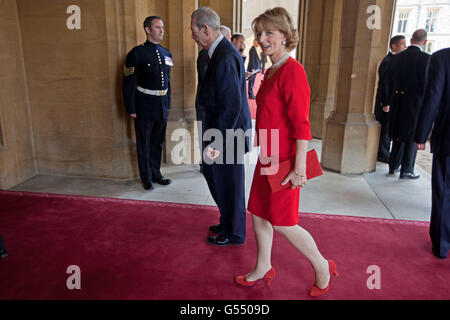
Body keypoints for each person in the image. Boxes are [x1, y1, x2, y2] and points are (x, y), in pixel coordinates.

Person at [236, 7, 338, 297]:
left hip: (284, 160)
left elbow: (301, 124)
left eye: (269, 32)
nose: (263, 39)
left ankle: (322, 265)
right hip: (267, 156)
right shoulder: (271, 70)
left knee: (284, 221)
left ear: (284, 35)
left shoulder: (293, 71)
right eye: (259, 33)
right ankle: (263, 266)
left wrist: (300, 167)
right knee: (257, 212)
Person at [191, 7, 252, 246]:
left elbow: (232, 106)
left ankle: (234, 232)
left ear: (205, 29)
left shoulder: (225, 55)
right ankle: (228, 221)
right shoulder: (217, 52)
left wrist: (218, 142)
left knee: (229, 183)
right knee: (215, 176)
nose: (192, 36)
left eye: (194, 31)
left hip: (227, 135)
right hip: (221, 131)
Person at [123, 16, 173, 190]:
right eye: (158, 27)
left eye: (162, 27)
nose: (161, 30)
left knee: (157, 142)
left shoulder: (167, 53)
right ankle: (146, 177)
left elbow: (168, 80)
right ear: (147, 29)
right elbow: (128, 83)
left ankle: (157, 174)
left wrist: (168, 104)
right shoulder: (136, 53)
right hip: (144, 104)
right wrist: (131, 108)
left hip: (161, 104)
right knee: (144, 143)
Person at [414, 47, 450, 259]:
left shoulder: (442, 58)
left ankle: (442, 244)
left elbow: (432, 99)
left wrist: (421, 134)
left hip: (447, 137)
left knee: (445, 191)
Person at [381, 29, 431, 179]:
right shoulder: (425, 58)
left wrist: (387, 101)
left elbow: (387, 81)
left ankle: (393, 165)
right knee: (411, 135)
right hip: (415, 102)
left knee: (397, 133)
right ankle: (407, 169)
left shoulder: (397, 58)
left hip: (397, 101)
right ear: (424, 42)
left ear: (411, 40)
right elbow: (427, 84)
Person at [374, 35, 407, 163]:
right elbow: (385, 83)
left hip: (390, 101)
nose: (405, 46)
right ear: (394, 45)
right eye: (402, 44)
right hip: (386, 102)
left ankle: (384, 152)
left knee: (387, 128)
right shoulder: (388, 61)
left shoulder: (395, 60)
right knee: (385, 128)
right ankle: (383, 153)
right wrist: (386, 103)